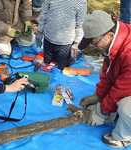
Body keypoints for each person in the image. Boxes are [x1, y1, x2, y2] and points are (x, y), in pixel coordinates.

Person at [78, 10, 131, 148]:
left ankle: (124, 137)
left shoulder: (129, 52)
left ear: (109, 35)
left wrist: (102, 112)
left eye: (94, 43)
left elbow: (122, 89)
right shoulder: (116, 42)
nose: (94, 47)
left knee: (127, 108)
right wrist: (99, 96)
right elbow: (109, 74)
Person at [35, 0, 87, 70]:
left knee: (60, 70)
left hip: (65, 44)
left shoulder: (81, 1)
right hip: (48, 39)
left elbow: (80, 23)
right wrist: (39, 31)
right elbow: (44, 13)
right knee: (47, 66)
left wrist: (77, 43)